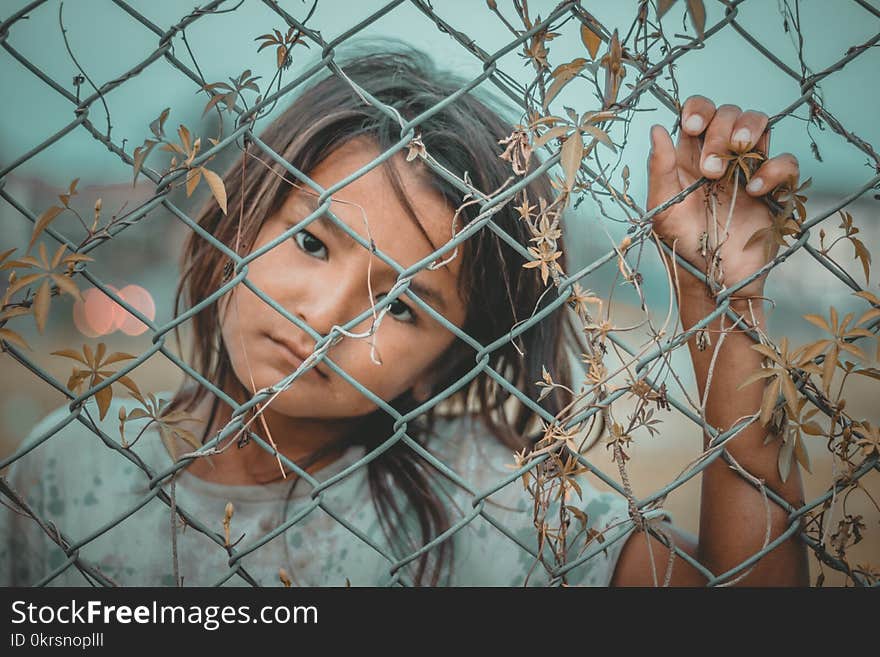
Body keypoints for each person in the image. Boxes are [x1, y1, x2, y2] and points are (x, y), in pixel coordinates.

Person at [0, 47, 809, 587]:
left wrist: (725, 307)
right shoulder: (66, 475)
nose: (324, 315)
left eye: (400, 302)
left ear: (446, 360)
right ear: (242, 220)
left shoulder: (486, 506)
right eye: (314, 242)